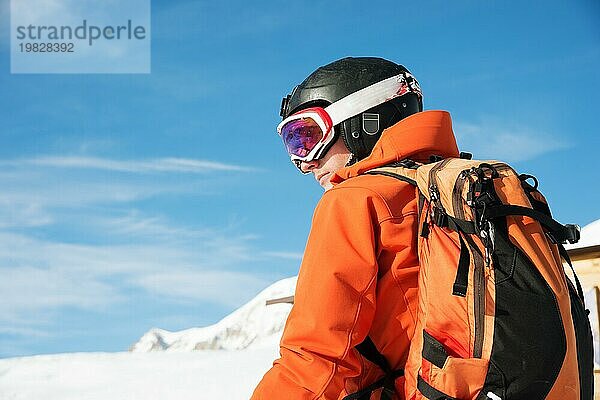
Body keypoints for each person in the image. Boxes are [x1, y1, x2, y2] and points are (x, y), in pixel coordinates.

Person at [251, 57, 460, 399]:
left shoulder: (355, 200)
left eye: (308, 137)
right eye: (293, 145)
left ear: (364, 122)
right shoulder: (470, 193)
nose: (306, 162)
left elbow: (316, 360)